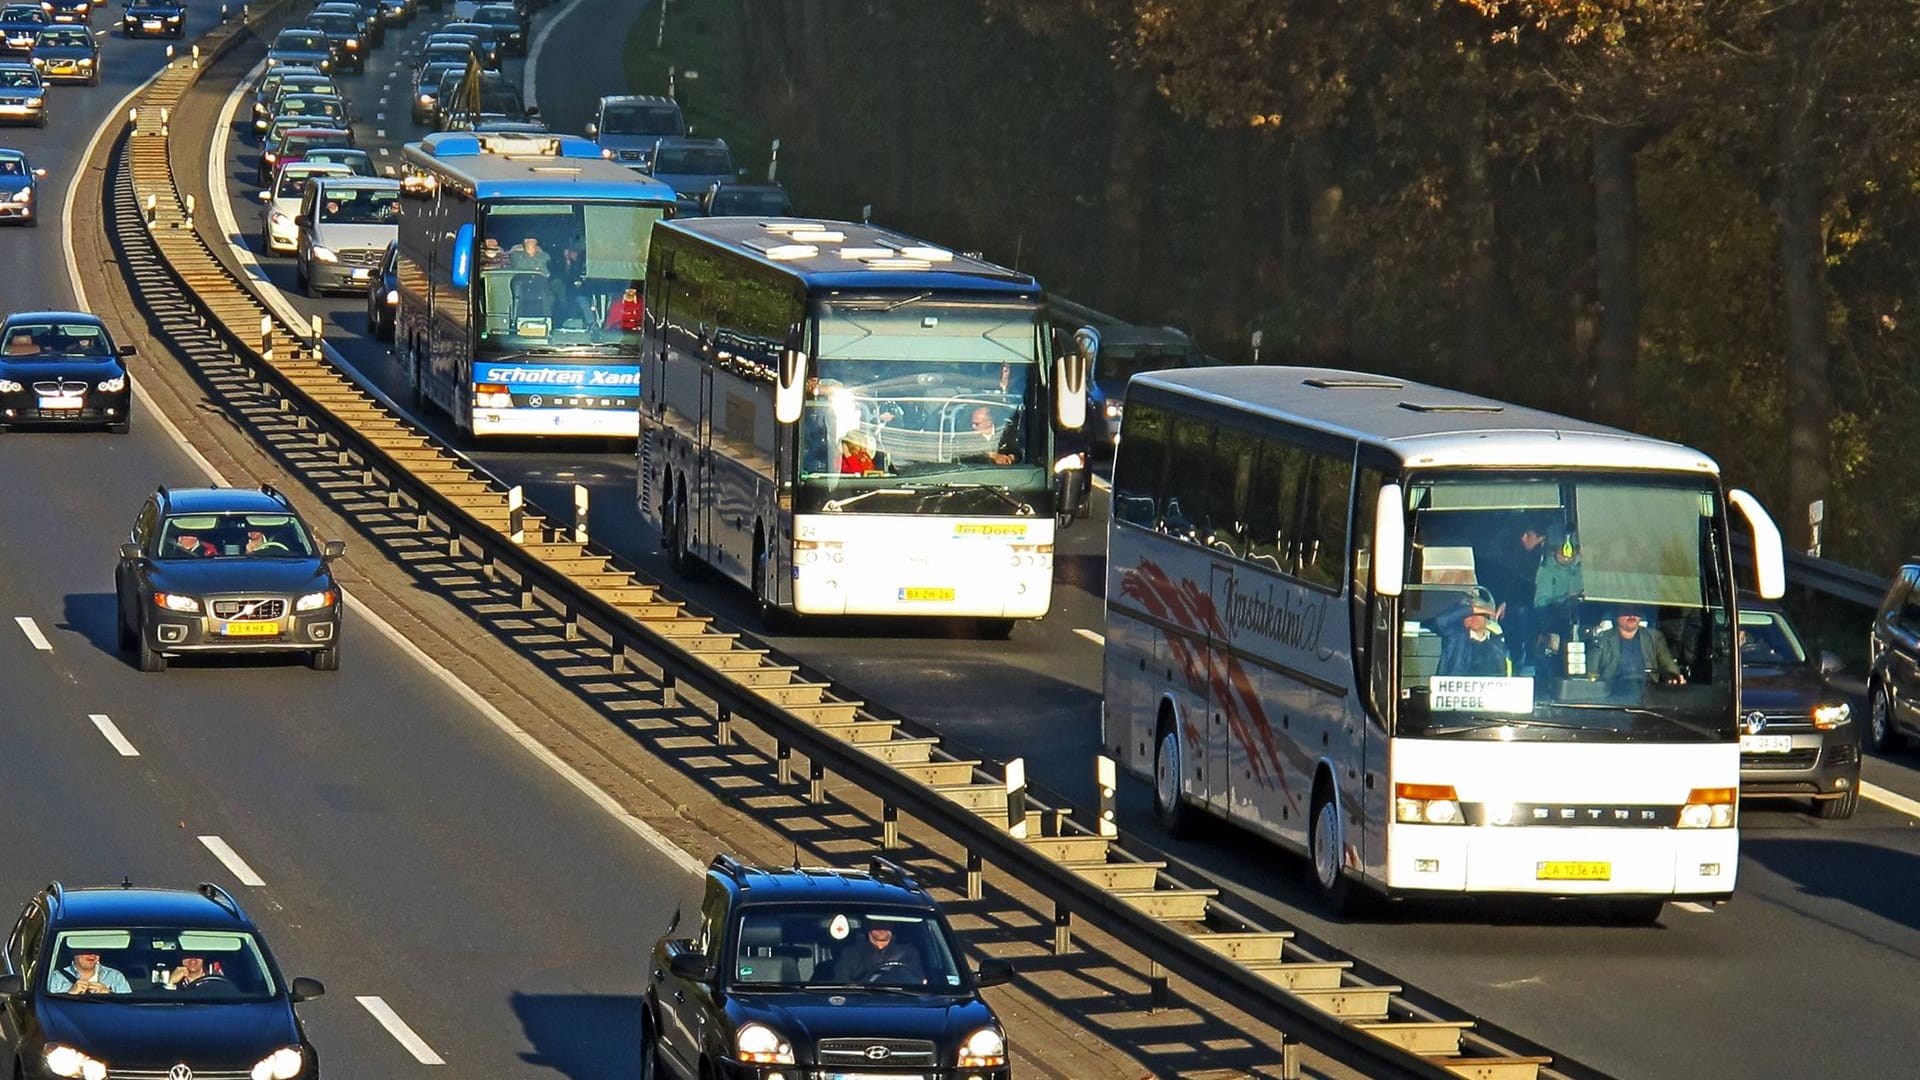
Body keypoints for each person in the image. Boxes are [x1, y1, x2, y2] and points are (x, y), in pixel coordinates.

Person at [1591, 604, 1685, 687]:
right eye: (1626, 611)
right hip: (1612, 690)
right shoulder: (1602, 638)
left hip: (1649, 689)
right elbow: (1592, 671)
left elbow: (1667, 663)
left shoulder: (1655, 637)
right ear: (1616, 614)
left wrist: (1674, 676)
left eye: (1635, 611)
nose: (1632, 615)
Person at [1431, 594, 1511, 677]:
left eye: (1478, 614)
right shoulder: (1454, 636)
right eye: (1469, 614)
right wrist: (1471, 610)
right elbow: (1439, 622)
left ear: (1486, 617)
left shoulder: (1497, 641)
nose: (1474, 618)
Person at [1531, 526, 1584, 646]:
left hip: (1582, 625)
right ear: (1554, 550)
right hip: (1556, 627)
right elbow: (1541, 603)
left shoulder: (1582, 569)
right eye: (1563, 549)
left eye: (1572, 549)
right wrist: (1566, 597)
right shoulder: (1547, 570)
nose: (1567, 555)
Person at [831, 922, 923, 984]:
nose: (882, 927)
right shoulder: (851, 953)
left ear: (892, 926)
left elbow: (918, 984)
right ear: (868, 926)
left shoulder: (909, 954)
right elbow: (842, 983)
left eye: (886, 923)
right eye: (877, 923)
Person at [48, 950, 132, 995]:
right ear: (73, 951)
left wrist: (110, 995)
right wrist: (69, 994)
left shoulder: (115, 977)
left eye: (96, 950)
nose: (92, 954)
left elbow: (129, 1010)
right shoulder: (55, 978)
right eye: (86, 949)